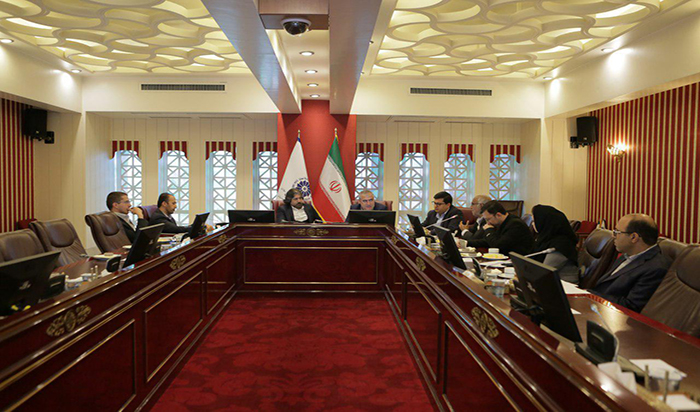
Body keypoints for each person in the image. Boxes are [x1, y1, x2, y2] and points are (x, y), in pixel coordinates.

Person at [587, 214, 670, 312]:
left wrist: (590, 295)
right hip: (597, 307)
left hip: (612, 315)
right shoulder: (627, 255)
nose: (613, 236)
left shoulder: (655, 268)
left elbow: (630, 307)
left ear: (633, 237)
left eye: (617, 232)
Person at [531, 205, 579, 284]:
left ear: (544, 222)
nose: (532, 224)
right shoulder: (545, 239)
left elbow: (544, 271)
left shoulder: (561, 244)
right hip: (549, 283)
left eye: (534, 221)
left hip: (564, 286)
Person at [467, 200, 534, 256]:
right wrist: (467, 242)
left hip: (517, 261)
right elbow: (488, 241)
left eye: (488, 219)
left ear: (498, 215)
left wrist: (489, 230)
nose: (487, 223)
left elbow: (497, 246)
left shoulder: (515, 224)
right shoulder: (501, 222)